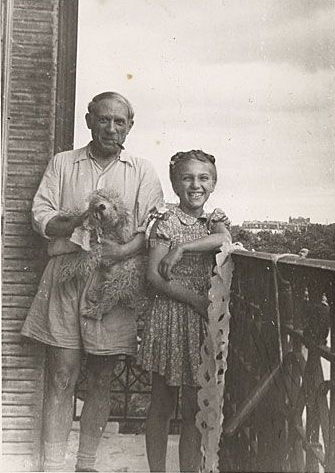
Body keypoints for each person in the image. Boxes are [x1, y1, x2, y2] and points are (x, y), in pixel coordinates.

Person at [21, 91, 163, 472]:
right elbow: (41, 216)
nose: (111, 128)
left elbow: (152, 226)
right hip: (67, 276)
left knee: (101, 379)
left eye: (120, 122)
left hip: (113, 283)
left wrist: (121, 252)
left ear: (130, 127)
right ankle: (52, 466)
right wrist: (78, 220)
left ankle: (85, 465)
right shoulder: (63, 163)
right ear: (88, 121)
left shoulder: (142, 170)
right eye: (103, 119)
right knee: (61, 375)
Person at [137, 150, 231, 472]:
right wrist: (196, 301)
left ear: (213, 183)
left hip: (201, 324)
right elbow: (153, 277)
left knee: (194, 407)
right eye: (187, 178)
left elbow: (224, 240)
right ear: (176, 185)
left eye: (203, 178)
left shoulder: (214, 221)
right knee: (162, 403)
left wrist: (183, 247)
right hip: (171, 317)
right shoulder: (166, 220)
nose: (196, 185)